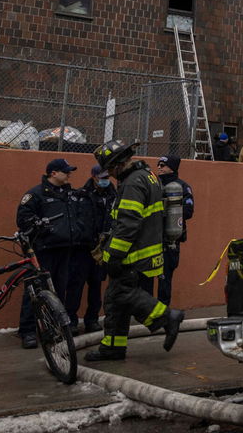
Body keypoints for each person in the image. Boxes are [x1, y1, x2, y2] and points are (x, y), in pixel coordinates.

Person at [84, 140, 184, 363]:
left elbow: (128, 223)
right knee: (115, 301)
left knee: (122, 295)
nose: (108, 174)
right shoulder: (147, 175)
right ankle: (113, 348)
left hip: (132, 254)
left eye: (110, 168)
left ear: (118, 163)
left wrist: (114, 256)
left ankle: (168, 317)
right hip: (143, 251)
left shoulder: (132, 183)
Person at [15, 158, 92, 347]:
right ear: (53, 173)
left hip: (65, 250)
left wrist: (78, 232)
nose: (69, 174)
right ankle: (27, 331)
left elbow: (78, 217)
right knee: (36, 290)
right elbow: (24, 219)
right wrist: (43, 232)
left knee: (58, 290)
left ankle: (54, 329)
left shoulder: (69, 194)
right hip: (42, 251)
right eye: (65, 171)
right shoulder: (36, 195)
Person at [139, 155, 194, 305]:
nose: (159, 168)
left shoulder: (182, 187)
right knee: (146, 277)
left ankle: (163, 311)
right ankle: (147, 309)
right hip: (151, 239)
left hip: (170, 240)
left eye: (163, 165)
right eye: (158, 165)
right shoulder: (153, 184)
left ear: (172, 168)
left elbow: (189, 211)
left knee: (165, 278)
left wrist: (170, 209)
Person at [78, 162, 117, 333]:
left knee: (96, 286)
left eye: (107, 178)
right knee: (76, 285)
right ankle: (71, 320)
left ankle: (92, 319)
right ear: (93, 177)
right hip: (85, 247)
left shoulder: (113, 195)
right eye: (102, 178)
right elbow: (82, 220)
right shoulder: (83, 194)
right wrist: (91, 242)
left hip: (104, 246)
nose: (105, 181)